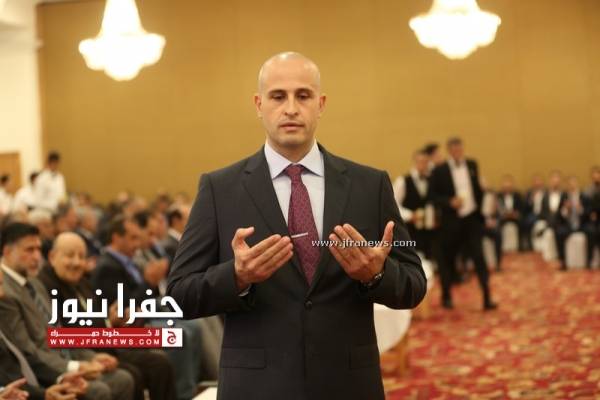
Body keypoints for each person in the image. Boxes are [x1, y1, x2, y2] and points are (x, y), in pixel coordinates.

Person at [166, 52, 426, 400]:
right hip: (256, 387)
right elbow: (179, 295)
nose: (290, 108)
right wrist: (237, 277)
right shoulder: (219, 189)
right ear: (259, 105)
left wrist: (376, 275)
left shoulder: (369, 185)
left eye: (303, 96)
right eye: (278, 96)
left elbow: (413, 285)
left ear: (321, 104)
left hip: (347, 384)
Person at [0, 223, 134, 400]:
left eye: (38, 249)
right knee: (101, 388)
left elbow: (59, 333)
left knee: (123, 378)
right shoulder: (6, 293)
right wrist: (74, 367)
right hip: (43, 372)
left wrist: (90, 358)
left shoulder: (35, 284)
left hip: (64, 361)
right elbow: (29, 351)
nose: (37, 256)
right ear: (8, 251)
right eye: (29, 250)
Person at [38, 232, 177, 400]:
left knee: (159, 357)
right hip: (85, 351)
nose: (76, 262)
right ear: (52, 257)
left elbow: (99, 318)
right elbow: (68, 330)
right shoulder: (46, 287)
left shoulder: (82, 282)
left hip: (106, 342)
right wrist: (108, 323)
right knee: (134, 373)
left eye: (81, 256)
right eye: (70, 255)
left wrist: (115, 320)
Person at [429, 137, 497, 310]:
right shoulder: (439, 171)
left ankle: (487, 297)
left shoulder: (472, 165)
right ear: (449, 151)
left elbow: (477, 191)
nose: (458, 153)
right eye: (454, 150)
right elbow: (432, 196)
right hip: (451, 222)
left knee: (479, 257)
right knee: (448, 259)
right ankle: (446, 296)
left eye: (460, 149)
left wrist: (485, 202)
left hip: (472, 220)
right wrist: (449, 202)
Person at [393, 150, 435, 259]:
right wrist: (410, 215)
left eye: (426, 162)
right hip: (409, 230)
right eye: (421, 161)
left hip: (428, 230)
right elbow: (394, 204)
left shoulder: (431, 180)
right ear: (415, 162)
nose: (423, 165)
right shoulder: (403, 181)